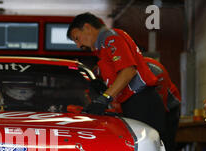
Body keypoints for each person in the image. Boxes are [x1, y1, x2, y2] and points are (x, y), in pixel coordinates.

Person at [66, 13, 167, 144]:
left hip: (143, 102)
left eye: (77, 38)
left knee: (147, 150)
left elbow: (128, 71)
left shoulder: (111, 38)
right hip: (134, 103)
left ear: (87, 27)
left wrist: (105, 98)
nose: (79, 45)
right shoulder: (103, 48)